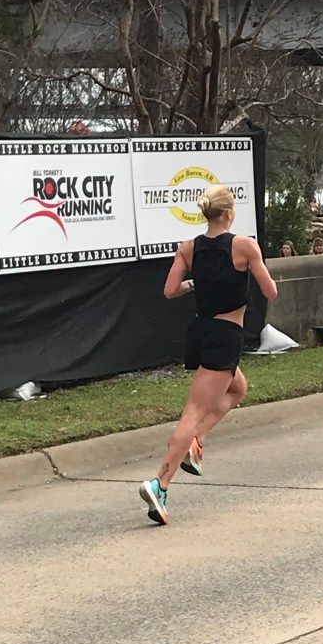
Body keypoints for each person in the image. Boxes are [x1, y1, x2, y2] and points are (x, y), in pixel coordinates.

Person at [139, 185, 278, 525]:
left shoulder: (188, 248)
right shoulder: (245, 246)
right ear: (229, 213)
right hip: (225, 335)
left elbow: (170, 290)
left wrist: (195, 284)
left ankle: (196, 442)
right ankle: (160, 483)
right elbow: (270, 291)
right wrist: (251, 269)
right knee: (193, 412)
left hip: (201, 332)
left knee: (238, 388)